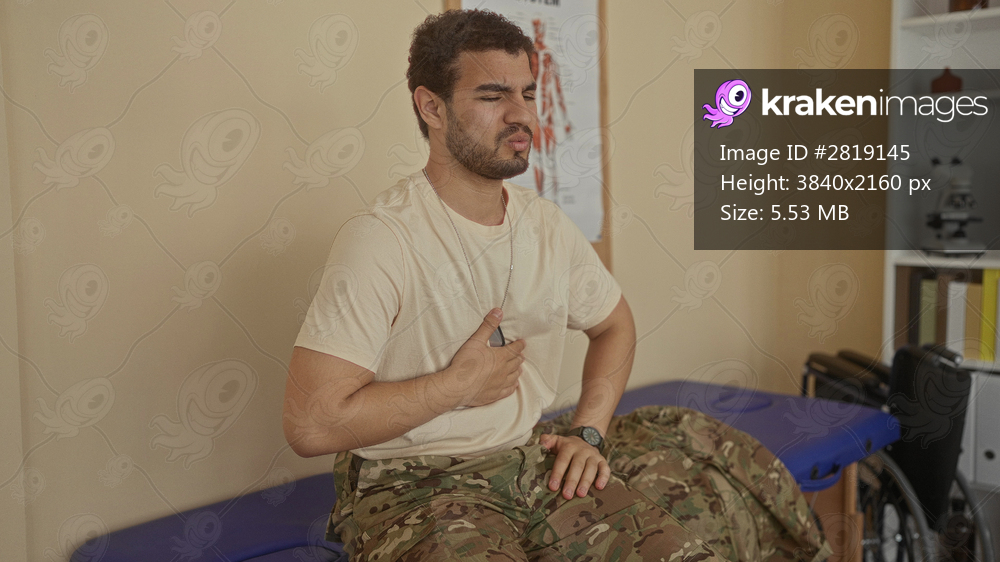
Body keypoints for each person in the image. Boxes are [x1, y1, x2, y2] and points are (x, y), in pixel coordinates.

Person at [283, 9, 830, 562]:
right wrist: (454, 387)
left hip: (528, 461)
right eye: (493, 96)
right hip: (411, 485)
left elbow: (615, 325)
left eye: (527, 93)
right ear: (432, 107)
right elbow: (310, 425)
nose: (521, 114)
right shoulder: (381, 239)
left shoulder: (544, 225)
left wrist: (589, 433)